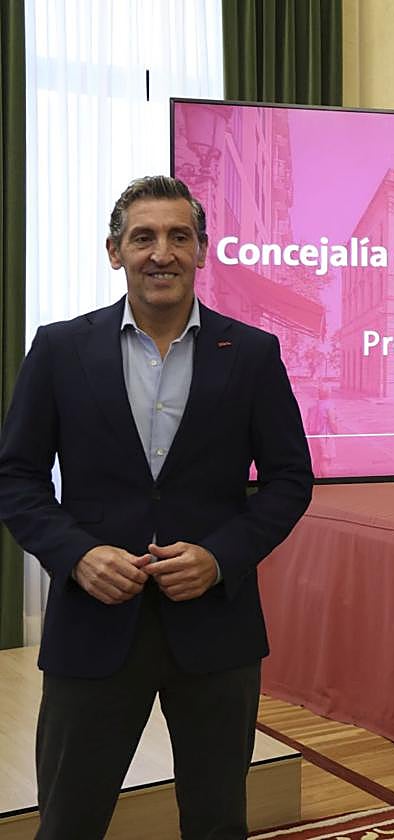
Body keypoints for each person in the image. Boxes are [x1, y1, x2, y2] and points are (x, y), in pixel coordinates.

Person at [0, 175, 314, 839]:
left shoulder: (253, 354)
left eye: (179, 236)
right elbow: (17, 477)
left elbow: (289, 478)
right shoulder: (59, 350)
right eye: (143, 237)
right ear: (115, 252)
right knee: (69, 821)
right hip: (92, 626)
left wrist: (220, 557)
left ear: (202, 250)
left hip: (216, 632)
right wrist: (76, 555)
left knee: (216, 820)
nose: (161, 252)